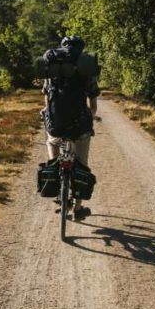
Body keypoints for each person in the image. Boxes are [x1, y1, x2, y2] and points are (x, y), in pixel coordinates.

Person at [41, 35, 99, 218]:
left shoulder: (53, 69)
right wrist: (91, 118)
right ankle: (78, 208)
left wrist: (46, 111)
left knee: (52, 142)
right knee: (81, 163)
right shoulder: (86, 68)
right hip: (79, 125)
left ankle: (55, 168)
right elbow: (93, 102)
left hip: (55, 124)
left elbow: (47, 95)